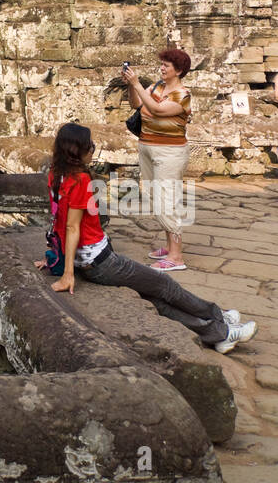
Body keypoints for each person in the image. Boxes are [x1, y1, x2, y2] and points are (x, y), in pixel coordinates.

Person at [35, 122, 256, 354]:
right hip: (100, 261)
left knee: (156, 300)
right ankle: (219, 322)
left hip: (89, 261)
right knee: (164, 284)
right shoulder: (80, 180)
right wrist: (68, 273)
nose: (92, 150)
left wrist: (53, 256)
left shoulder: (56, 174)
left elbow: (57, 217)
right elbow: (71, 227)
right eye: (90, 146)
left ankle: (217, 330)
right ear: (76, 151)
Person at [122, 48, 193, 271]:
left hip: (169, 153)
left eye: (167, 66)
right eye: (161, 64)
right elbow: (138, 104)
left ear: (179, 71)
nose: (162, 68)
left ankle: (177, 256)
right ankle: (169, 246)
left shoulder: (182, 95)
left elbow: (156, 109)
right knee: (156, 196)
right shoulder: (156, 87)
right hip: (147, 147)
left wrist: (137, 84)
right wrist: (130, 85)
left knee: (167, 200)